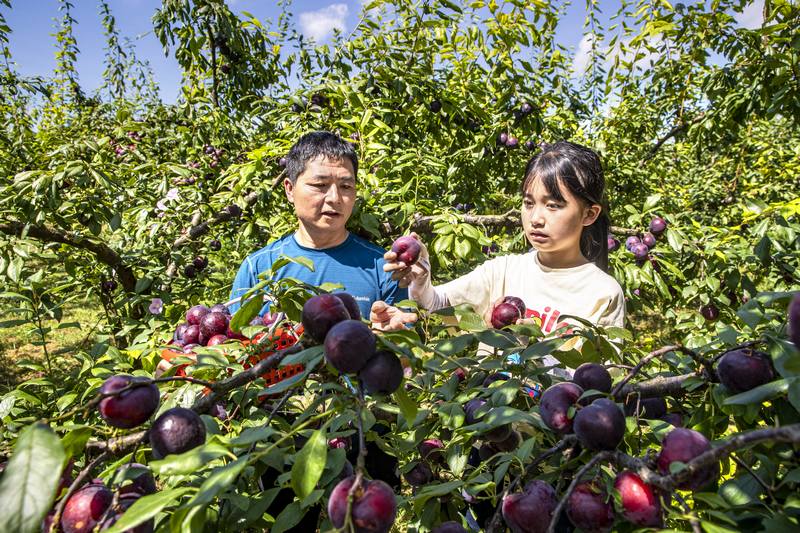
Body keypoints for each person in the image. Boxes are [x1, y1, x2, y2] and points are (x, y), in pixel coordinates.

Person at [384, 140, 625, 370]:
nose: (536, 219)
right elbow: (437, 307)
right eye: (529, 203)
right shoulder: (504, 271)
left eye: (553, 205)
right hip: (489, 409)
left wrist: (533, 344)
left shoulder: (602, 292)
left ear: (589, 214)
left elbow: (600, 384)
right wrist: (421, 278)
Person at [229, 131, 415, 331]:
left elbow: (407, 352)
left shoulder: (384, 269)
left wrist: (388, 336)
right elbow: (235, 347)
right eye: (320, 185)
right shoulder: (257, 267)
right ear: (289, 190)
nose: (335, 197)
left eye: (345, 186)